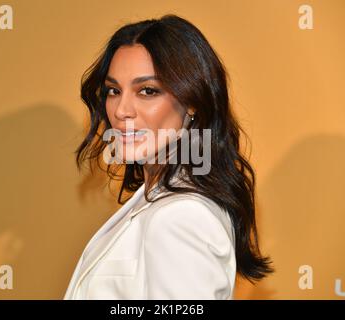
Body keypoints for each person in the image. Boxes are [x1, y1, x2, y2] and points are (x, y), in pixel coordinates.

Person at [64, 14, 273, 300]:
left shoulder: (181, 217)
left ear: (192, 103)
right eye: (114, 90)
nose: (122, 109)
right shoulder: (157, 201)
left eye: (147, 91)